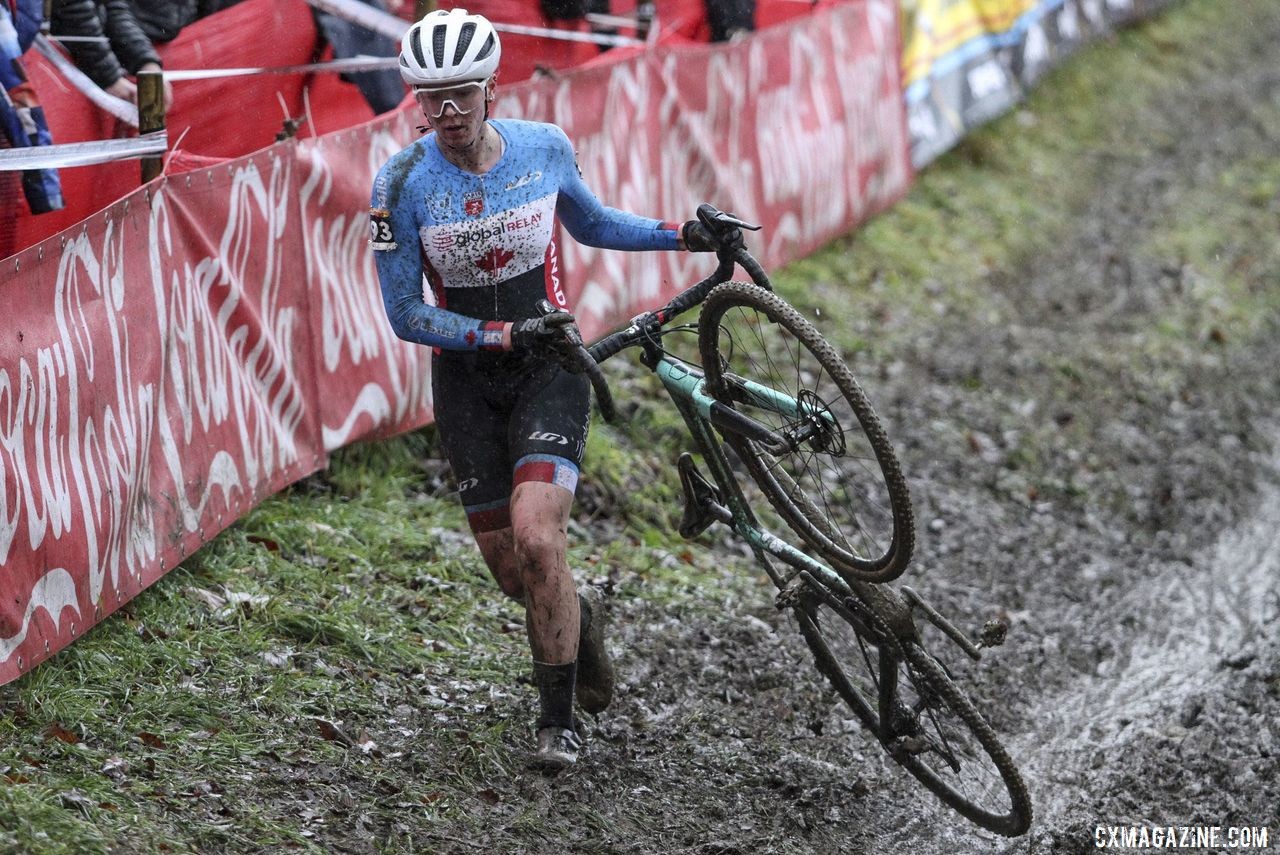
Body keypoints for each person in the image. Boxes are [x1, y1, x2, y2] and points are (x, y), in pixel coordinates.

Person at [369, 8, 729, 769]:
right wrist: (497, 334)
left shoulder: (543, 149)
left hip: (551, 366)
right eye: (429, 97)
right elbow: (404, 313)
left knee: (539, 537)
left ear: (492, 87)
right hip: (467, 377)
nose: (447, 112)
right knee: (516, 572)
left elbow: (594, 223)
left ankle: (556, 724)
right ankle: (576, 615)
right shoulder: (398, 182)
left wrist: (685, 235)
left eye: (462, 93)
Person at [50, 0, 172, 110]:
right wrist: (110, 77)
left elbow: (114, 8)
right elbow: (73, 10)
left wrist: (147, 62)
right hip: (54, 73)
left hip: (81, 68)